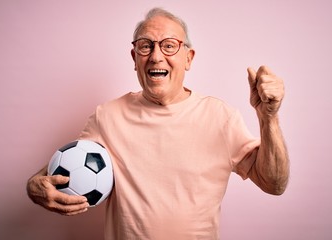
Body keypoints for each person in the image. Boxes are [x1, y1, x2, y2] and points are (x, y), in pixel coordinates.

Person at [26, 7, 290, 240]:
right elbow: (62, 168)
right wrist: (34, 187)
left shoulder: (220, 117)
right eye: (145, 45)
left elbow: (274, 184)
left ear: (188, 58)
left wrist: (269, 118)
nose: (155, 56)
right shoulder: (106, 116)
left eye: (169, 45)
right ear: (134, 58)